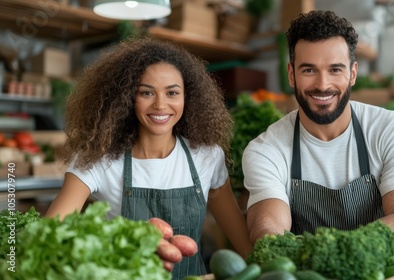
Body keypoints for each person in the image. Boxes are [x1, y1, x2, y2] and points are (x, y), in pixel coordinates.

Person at [45, 37, 252, 278]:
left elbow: (244, 244)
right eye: (146, 92)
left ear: (188, 97)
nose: (161, 105)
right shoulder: (98, 158)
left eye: (172, 92)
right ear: (127, 98)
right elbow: (50, 233)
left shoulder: (206, 156)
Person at [242, 10, 394, 244]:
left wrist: (343, 251)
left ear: (352, 74)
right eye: (309, 70)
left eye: (335, 69)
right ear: (292, 75)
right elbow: (268, 231)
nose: (323, 85)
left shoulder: (390, 129)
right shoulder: (266, 150)